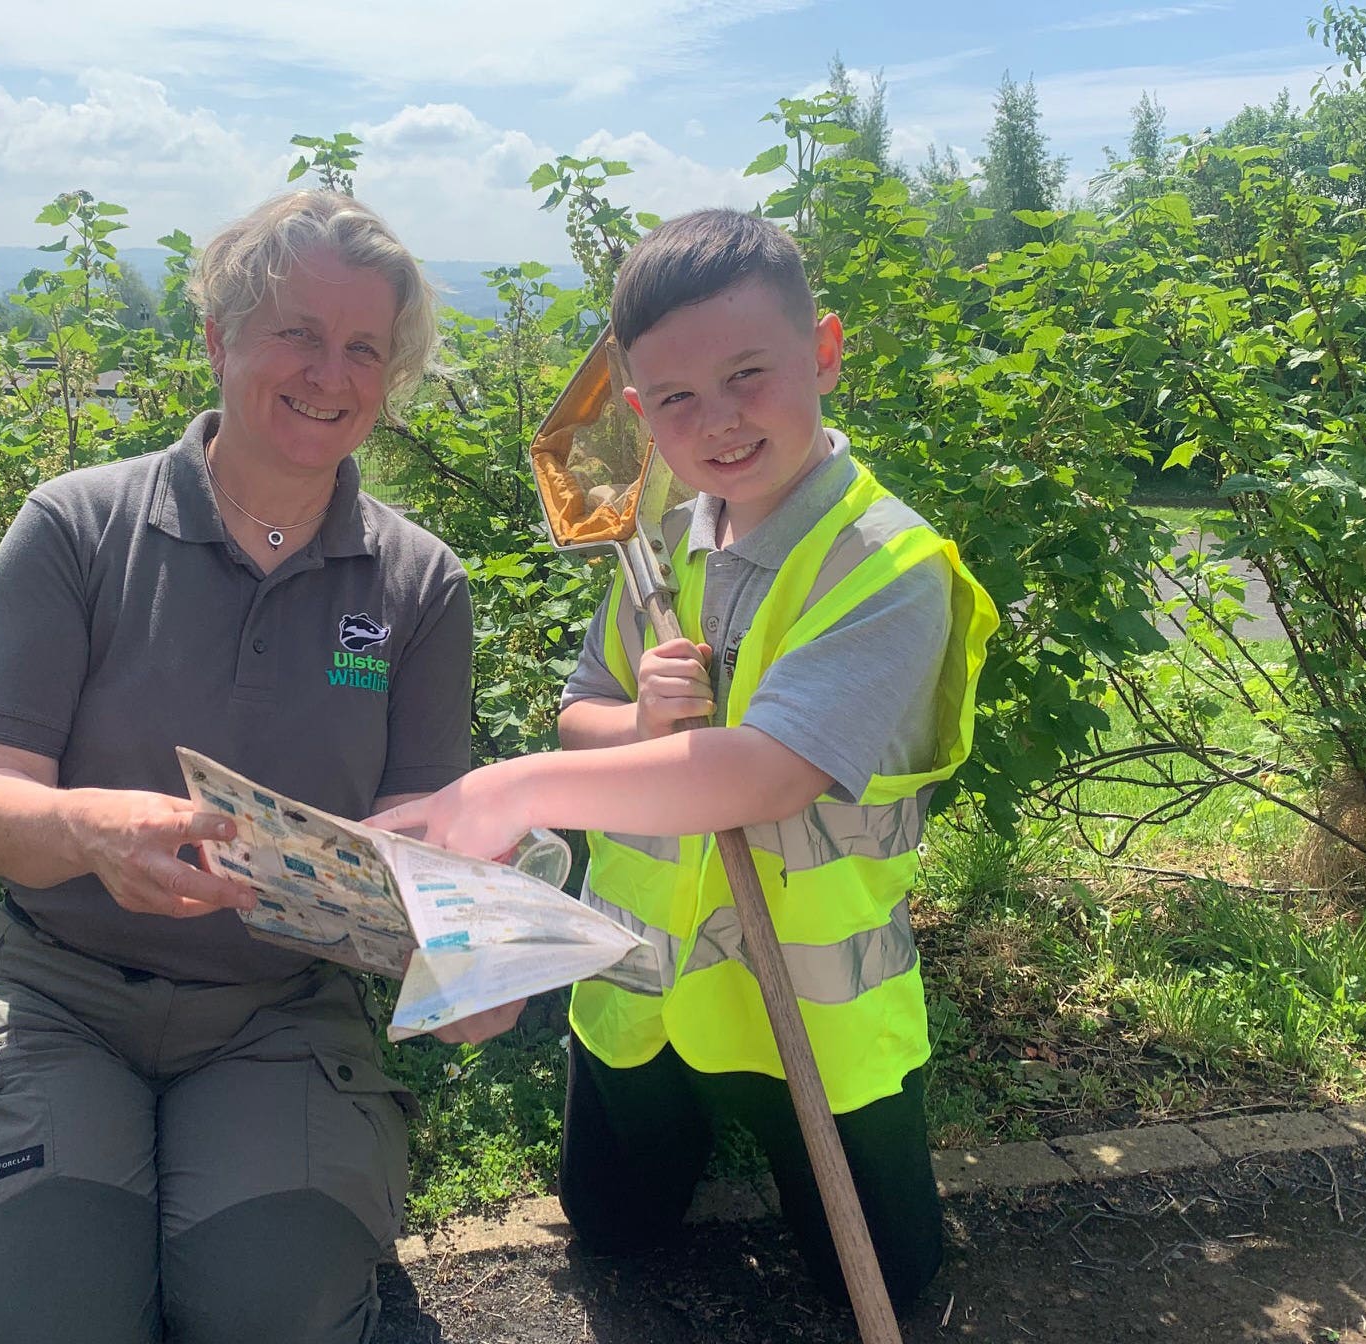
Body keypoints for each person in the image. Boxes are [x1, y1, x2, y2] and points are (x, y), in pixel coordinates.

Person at [0, 190, 520, 1344]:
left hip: (285, 1011)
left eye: (363, 349)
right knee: (44, 1310)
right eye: (297, 332)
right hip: (60, 990)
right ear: (219, 338)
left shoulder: (420, 585)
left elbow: (414, 830)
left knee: (266, 1310)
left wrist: (473, 944)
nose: (329, 373)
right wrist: (87, 832)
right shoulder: (76, 529)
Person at [370, 208, 997, 1309]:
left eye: (750, 373)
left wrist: (505, 785)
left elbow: (764, 773)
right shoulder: (651, 541)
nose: (718, 420)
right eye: (675, 398)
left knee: (886, 1284)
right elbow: (582, 718)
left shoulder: (890, 565)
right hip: (642, 975)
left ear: (826, 353)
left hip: (809, 1007)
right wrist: (642, 724)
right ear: (635, 413)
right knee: (612, 1229)